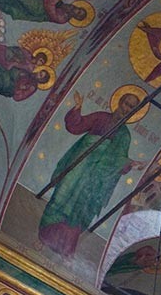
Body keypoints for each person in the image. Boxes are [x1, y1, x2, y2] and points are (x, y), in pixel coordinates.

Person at [39, 90, 142, 256]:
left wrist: (129, 163)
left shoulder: (125, 135)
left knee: (82, 206)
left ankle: (66, 247)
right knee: (62, 196)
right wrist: (78, 108)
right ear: (119, 102)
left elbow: (118, 160)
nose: (127, 108)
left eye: (131, 107)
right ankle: (44, 236)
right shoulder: (101, 117)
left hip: (95, 178)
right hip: (80, 163)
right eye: (126, 104)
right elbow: (76, 126)